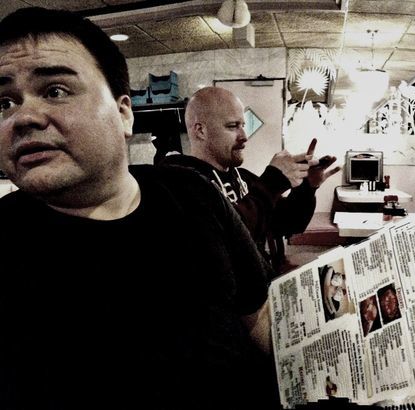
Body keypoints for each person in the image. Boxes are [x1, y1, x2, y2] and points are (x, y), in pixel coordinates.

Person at [0, 7, 276, 409]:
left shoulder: (190, 191)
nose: (22, 117)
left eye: (55, 90)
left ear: (123, 112)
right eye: (3, 102)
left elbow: (261, 316)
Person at [162, 86, 340, 272]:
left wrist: (307, 187)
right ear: (200, 131)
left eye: (243, 126)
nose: (244, 137)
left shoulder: (242, 178)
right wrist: (271, 183)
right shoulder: (179, 183)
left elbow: (288, 222)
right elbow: (223, 244)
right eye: (232, 126)